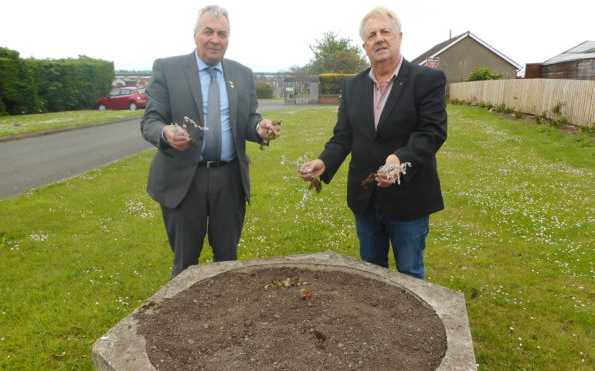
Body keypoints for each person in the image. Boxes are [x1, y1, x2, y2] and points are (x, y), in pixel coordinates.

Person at [299, 6, 447, 280]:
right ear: (364, 45)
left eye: (385, 32)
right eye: (371, 35)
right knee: (371, 272)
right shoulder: (352, 86)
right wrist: (324, 161)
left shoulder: (427, 80)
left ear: (399, 37)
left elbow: (431, 132)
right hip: (365, 198)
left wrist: (398, 160)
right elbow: (343, 136)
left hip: (409, 197)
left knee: (410, 273)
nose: (379, 38)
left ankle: (408, 324)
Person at [141, 5, 280, 278]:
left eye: (222, 34)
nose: (215, 39)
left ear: (228, 39)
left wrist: (259, 127)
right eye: (208, 31)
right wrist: (166, 133)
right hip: (184, 180)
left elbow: (249, 118)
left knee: (227, 260)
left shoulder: (242, 74)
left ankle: (227, 317)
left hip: (229, 179)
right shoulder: (168, 69)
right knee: (186, 262)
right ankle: (181, 316)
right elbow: (150, 120)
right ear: (195, 34)